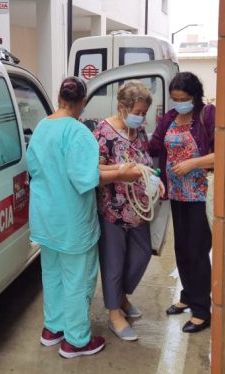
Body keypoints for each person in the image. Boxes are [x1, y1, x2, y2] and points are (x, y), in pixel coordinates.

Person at [27, 76, 143, 359]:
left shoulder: (43, 127)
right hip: (71, 221)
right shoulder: (78, 132)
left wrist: (117, 169)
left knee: (52, 275)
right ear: (82, 102)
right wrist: (122, 174)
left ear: (59, 98)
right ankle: (76, 341)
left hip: (45, 217)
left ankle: (53, 329)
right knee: (78, 280)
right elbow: (86, 178)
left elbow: (39, 167)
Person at [93, 80, 163, 342]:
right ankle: (114, 314)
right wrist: (123, 173)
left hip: (139, 210)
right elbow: (95, 171)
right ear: (122, 107)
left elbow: (145, 161)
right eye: (138, 112)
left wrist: (154, 180)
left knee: (141, 256)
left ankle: (121, 296)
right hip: (113, 210)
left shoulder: (139, 131)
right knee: (114, 263)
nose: (141, 118)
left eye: (144, 113)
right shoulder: (103, 132)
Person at [148, 72, 215, 334]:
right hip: (175, 194)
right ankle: (187, 295)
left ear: (194, 96)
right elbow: (154, 146)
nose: (179, 103)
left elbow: (223, 152)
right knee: (183, 249)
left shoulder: (208, 115)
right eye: (175, 99)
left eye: (183, 99)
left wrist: (193, 163)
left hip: (198, 195)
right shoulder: (169, 118)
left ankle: (202, 310)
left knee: (198, 250)